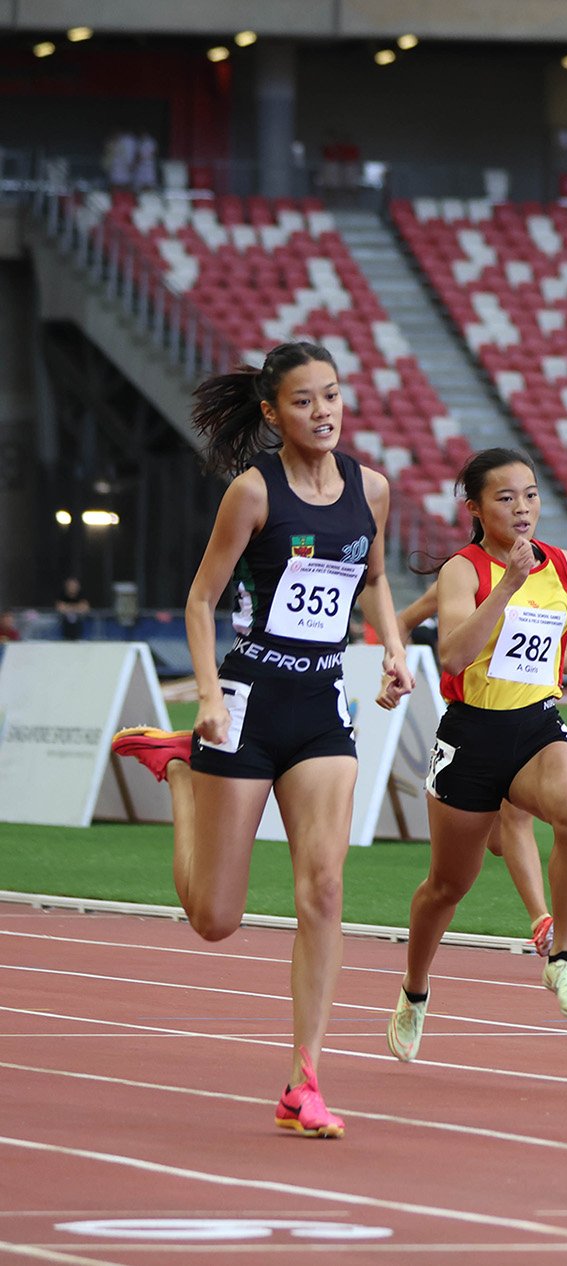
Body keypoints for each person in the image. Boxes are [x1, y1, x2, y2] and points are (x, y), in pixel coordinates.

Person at [109, 340, 416, 1139]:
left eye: (333, 396)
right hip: (245, 707)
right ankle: (182, 776)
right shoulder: (252, 493)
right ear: (274, 413)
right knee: (216, 918)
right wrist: (208, 695)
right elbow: (201, 601)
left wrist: (390, 647)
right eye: (306, 400)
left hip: (320, 708)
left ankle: (304, 1079)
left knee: (323, 888)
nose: (324, 412)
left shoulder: (371, 489)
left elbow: (376, 579)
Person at [385, 448, 567, 1064]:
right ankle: (415, 993)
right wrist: (512, 586)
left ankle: (563, 957)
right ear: (474, 508)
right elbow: (453, 655)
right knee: (447, 886)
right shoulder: (464, 572)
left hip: (536, 726)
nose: (522, 508)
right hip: (471, 735)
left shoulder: (561, 563)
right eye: (505, 497)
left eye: (530, 494)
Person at [388, 580, 557, 956]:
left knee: (517, 818)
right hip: (474, 723)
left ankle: (541, 918)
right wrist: (394, 665)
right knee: (493, 842)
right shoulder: (461, 578)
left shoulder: (550, 578)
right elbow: (402, 621)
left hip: (527, 717)